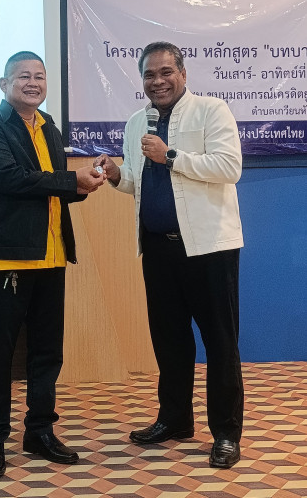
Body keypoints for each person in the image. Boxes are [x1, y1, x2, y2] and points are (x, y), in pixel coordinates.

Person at [94, 41, 244, 469]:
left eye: (165, 72)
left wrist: (171, 155)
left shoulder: (211, 111)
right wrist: (118, 175)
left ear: (183, 73)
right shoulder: (136, 122)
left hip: (209, 248)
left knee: (220, 342)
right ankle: (175, 419)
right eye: (149, 74)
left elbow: (229, 167)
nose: (157, 81)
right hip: (158, 248)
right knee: (170, 341)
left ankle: (226, 433)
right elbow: (136, 183)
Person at [0, 51, 105, 478]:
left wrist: (83, 185)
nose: (33, 83)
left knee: (47, 352)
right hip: (8, 257)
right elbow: (8, 178)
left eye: (40, 76)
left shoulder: (49, 128)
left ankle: (40, 431)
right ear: (4, 84)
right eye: (23, 76)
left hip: (52, 255)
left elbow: (49, 190)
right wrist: (69, 181)